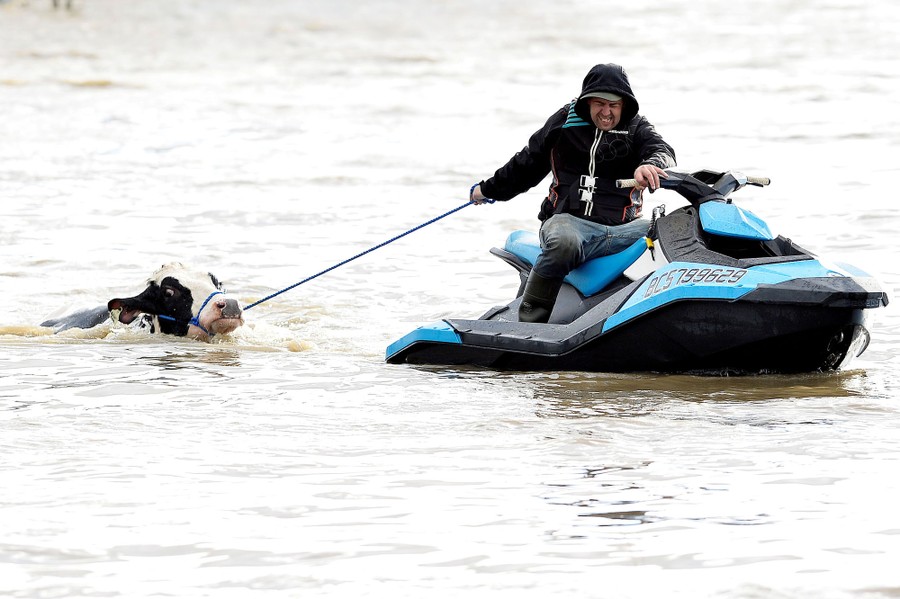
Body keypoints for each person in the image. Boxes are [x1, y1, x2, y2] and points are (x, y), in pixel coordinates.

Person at [470, 63, 676, 323]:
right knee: (564, 241)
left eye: (613, 105)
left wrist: (651, 164)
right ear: (587, 102)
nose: (606, 112)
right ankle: (529, 321)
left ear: (624, 105)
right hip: (569, 225)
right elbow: (527, 163)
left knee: (674, 228)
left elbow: (663, 151)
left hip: (625, 229)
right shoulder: (565, 121)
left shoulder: (637, 127)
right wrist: (486, 190)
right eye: (599, 103)